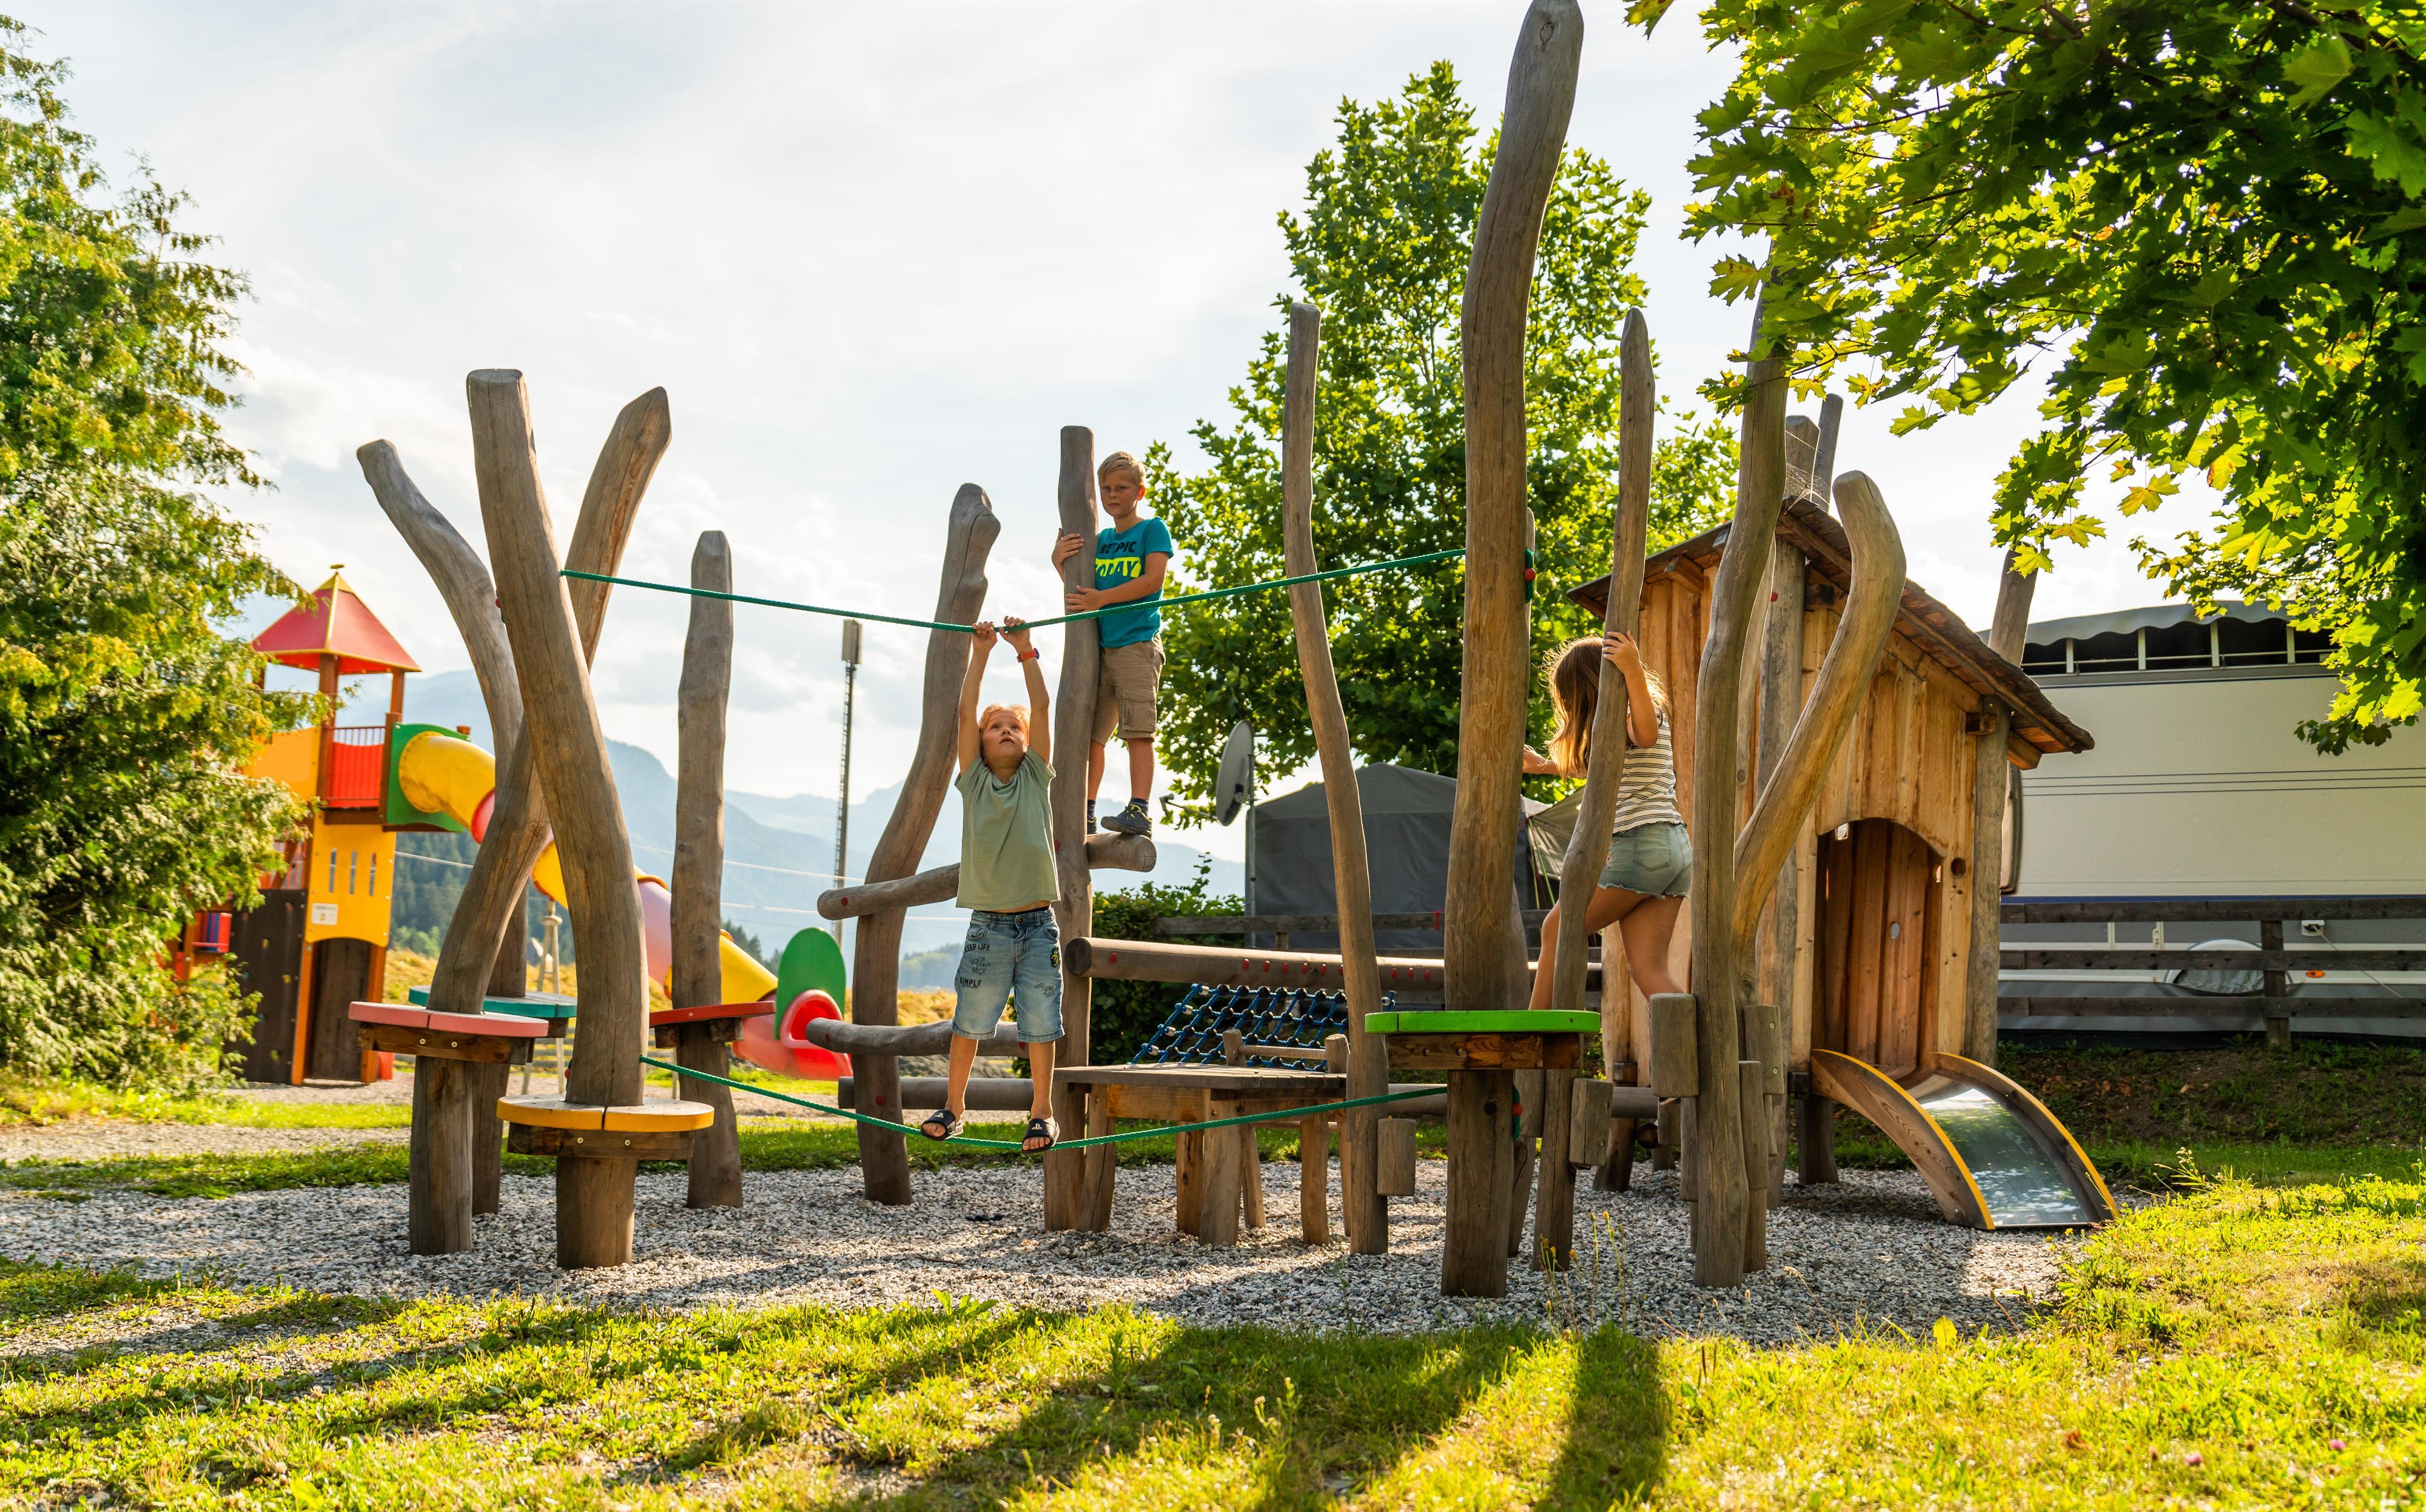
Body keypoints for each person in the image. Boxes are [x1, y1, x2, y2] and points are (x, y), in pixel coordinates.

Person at [923, 616, 1061, 1152]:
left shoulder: (1036, 776)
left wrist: (1026, 650)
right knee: (970, 1019)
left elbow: (1042, 707)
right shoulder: (975, 780)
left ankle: (1042, 1111)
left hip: (1038, 924)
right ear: (979, 743)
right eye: (995, 726)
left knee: (1041, 1019)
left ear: (1028, 743)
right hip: (989, 927)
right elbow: (964, 711)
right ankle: (954, 1106)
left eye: (1014, 728)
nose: (1006, 730)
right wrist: (980, 653)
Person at [1522, 631, 1691, 1013]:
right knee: (1649, 970)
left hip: (1641, 845)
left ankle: (1534, 1031)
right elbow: (1598, 766)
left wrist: (1632, 669)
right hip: (1673, 851)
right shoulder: (1618, 725)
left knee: (1556, 929)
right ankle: (1703, 1042)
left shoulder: (1637, 713)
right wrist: (1543, 766)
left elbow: (1645, 736)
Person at [1052, 450, 1171, 837]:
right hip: (1100, 650)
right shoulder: (1100, 539)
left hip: (1137, 643)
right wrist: (1059, 562)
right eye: (1106, 488)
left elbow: (1152, 581)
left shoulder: (1151, 530)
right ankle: (1085, 811)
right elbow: (1083, 592)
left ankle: (1139, 809)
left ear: (1140, 492)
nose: (1112, 495)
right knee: (1092, 734)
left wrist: (1102, 599)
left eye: (1121, 488)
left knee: (1138, 730)